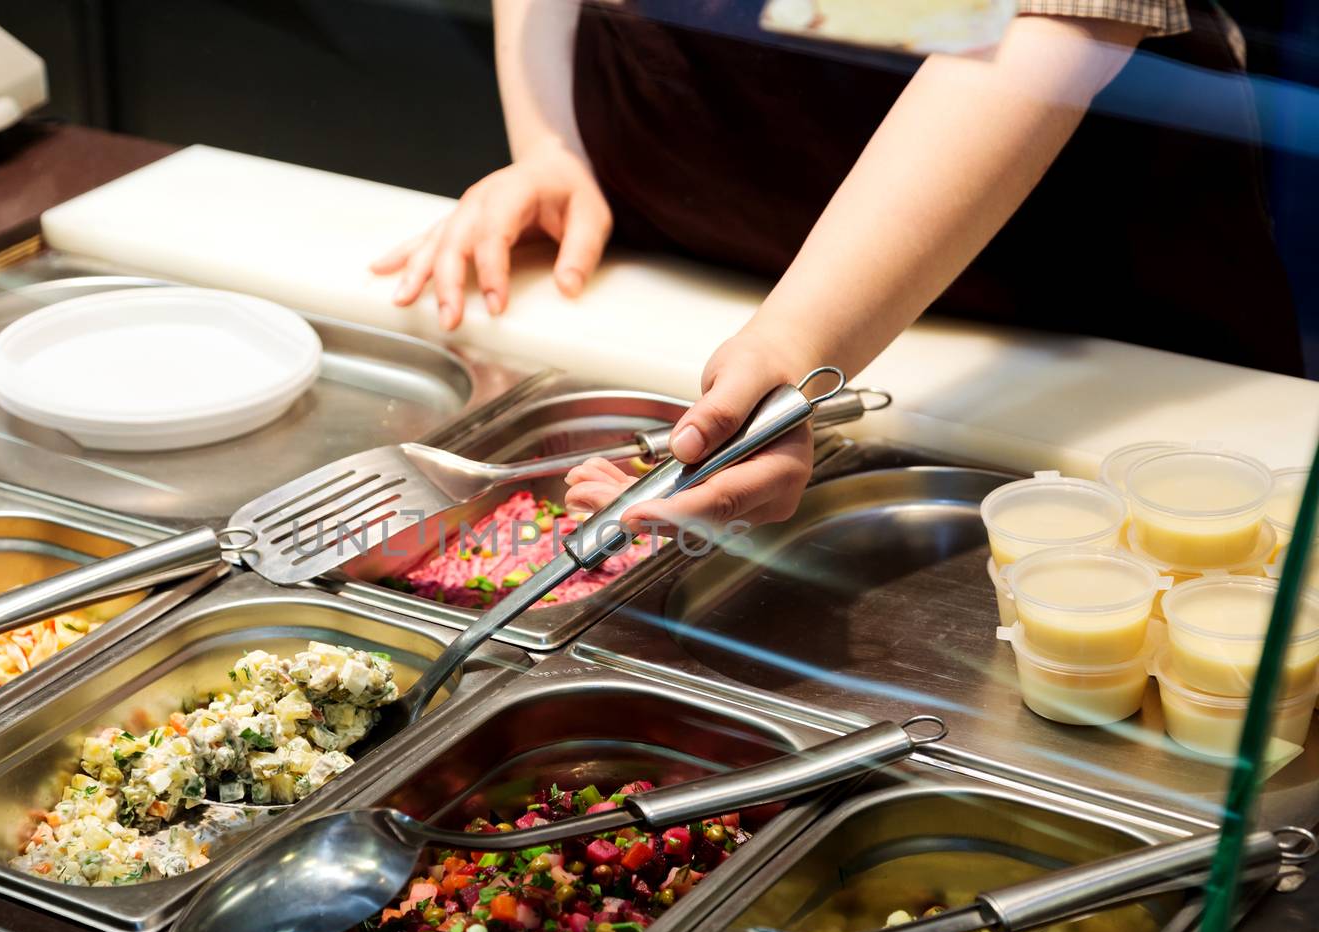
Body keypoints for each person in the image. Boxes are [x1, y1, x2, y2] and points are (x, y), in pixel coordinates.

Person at [370, 0, 1303, 536]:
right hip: (687, 218)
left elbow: (1056, 19)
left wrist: (801, 340)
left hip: (1069, 301)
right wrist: (548, 142)